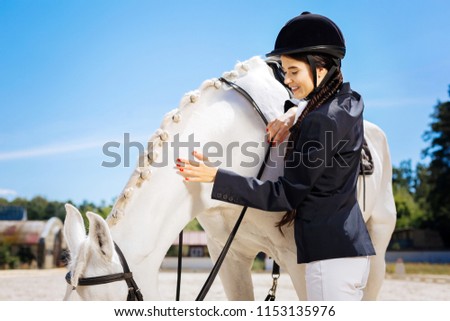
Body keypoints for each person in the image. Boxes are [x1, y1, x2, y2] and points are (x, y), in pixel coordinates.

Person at [176, 12, 375, 301]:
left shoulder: (320, 121)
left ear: (320, 69)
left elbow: (285, 195)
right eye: (283, 72)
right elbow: (326, 104)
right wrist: (295, 112)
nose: (287, 80)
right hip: (349, 252)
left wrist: (215, 176)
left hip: (328, 260)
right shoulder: (349, 102)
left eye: (294, 71)